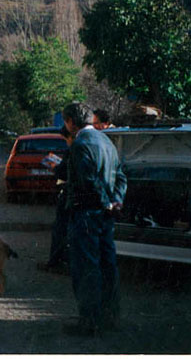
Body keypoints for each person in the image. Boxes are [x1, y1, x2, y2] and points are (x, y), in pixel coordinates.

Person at [62, 102, 127, 337]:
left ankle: (89, 322)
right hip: (105, 216)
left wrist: (106, 202)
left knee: (86, 268)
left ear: (71, 122)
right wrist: (116, 201)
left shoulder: (80, 144)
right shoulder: (106, 141)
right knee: (107, 265)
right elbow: (121, 176)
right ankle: (111, 318)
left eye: (65, 122)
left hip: (86, 214)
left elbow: (89, 181)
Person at [38, 126, 73, 274]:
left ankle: (56, 262)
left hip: (69, 194)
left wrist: (55, 167)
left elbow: (64, 173)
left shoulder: (74, 148)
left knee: (60, 230)